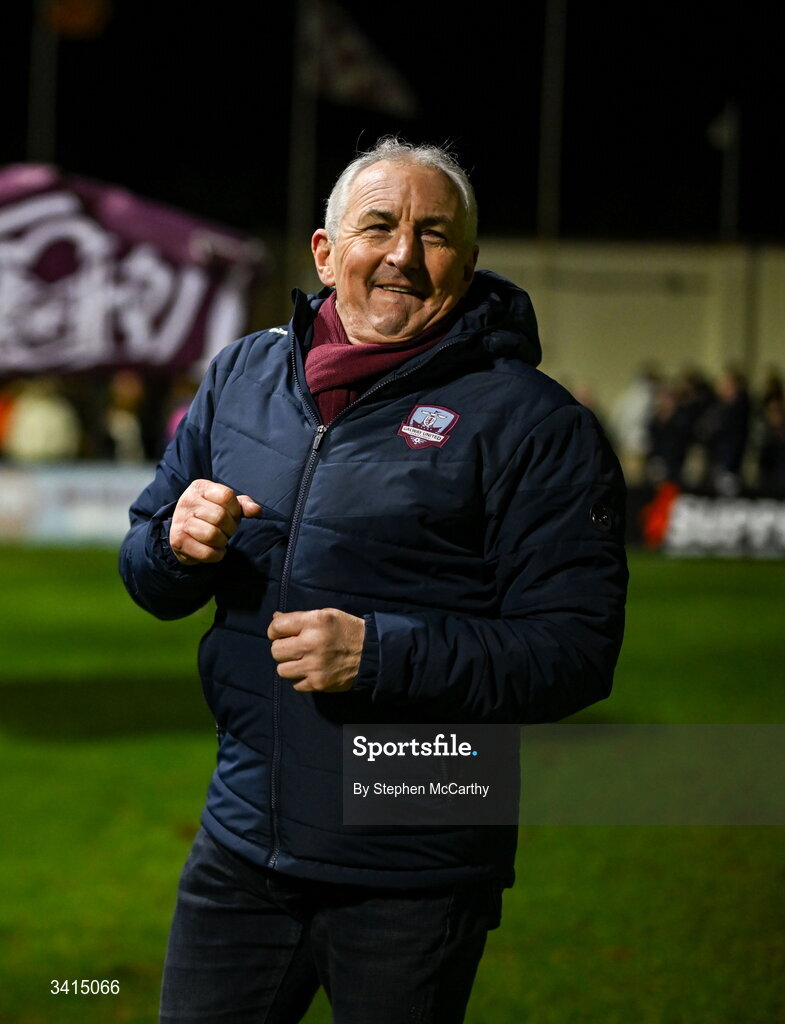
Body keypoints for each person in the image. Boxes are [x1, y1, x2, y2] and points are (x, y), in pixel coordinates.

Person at [119, 138, 628, 1024]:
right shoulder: (243, 376)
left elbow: (575, 651)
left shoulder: (533, 422)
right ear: (325, 250)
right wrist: (173, 544)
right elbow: (147, 575)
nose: (403, 254)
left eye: (434, 235)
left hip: (416, 862)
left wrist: (379, 654)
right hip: (244, 840)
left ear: (465, 266)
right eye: (379, 226)